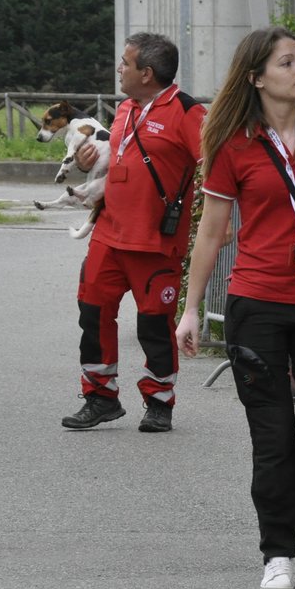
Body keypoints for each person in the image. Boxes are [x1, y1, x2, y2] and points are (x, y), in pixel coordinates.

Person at [174, 27, 295, 589]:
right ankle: (277, 552)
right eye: (288, 62)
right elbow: (211, 231)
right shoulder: (233, 140)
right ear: (258, 76)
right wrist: (190, 310)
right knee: (274, 436)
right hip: (257, 303)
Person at [61, 32, 205, 434]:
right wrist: (90, 161)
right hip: (109, 234)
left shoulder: (188, 113)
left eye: (125, 63)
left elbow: (215, 166)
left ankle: (159, 402)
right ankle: (100, 398)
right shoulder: (124, 109)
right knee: (92, 314)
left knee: (153, 326)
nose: (119, 69)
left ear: (147, 72)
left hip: (156, 242)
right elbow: (119, 162)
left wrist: (220, 218)